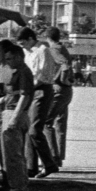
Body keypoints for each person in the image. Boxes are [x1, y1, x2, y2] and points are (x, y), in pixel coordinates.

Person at [0, 39, 35, 191]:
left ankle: (18, 188)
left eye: (9, 59)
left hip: (15, 113)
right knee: (13, 153)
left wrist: (15, 118)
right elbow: (12, 95)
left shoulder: (23, 71)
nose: (6, 62)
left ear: (18, 57)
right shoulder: (17, 71)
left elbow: (25, 95)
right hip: (10, 110)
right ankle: (19, 185)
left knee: (13, 154)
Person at [22, 29, 61, 177]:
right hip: (32, 90)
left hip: (42, 90)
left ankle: (50, 163)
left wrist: (27, 89)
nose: (23, 47)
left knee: (34, 130)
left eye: (24, 43)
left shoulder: (43, 51)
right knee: (28, 130)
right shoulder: (28, 52)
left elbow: (42, 76)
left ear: (31, 39)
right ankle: (31, 166)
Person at [43, 28, 75, 162]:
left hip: (58, 89)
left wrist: (59, 80)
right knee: (60, 123)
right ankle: (59, 155)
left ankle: (53, 156)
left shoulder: (54, 49)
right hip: (67, 90)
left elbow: (65, 65)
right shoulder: (62, 48)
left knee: (46, 123)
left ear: (46, 37)